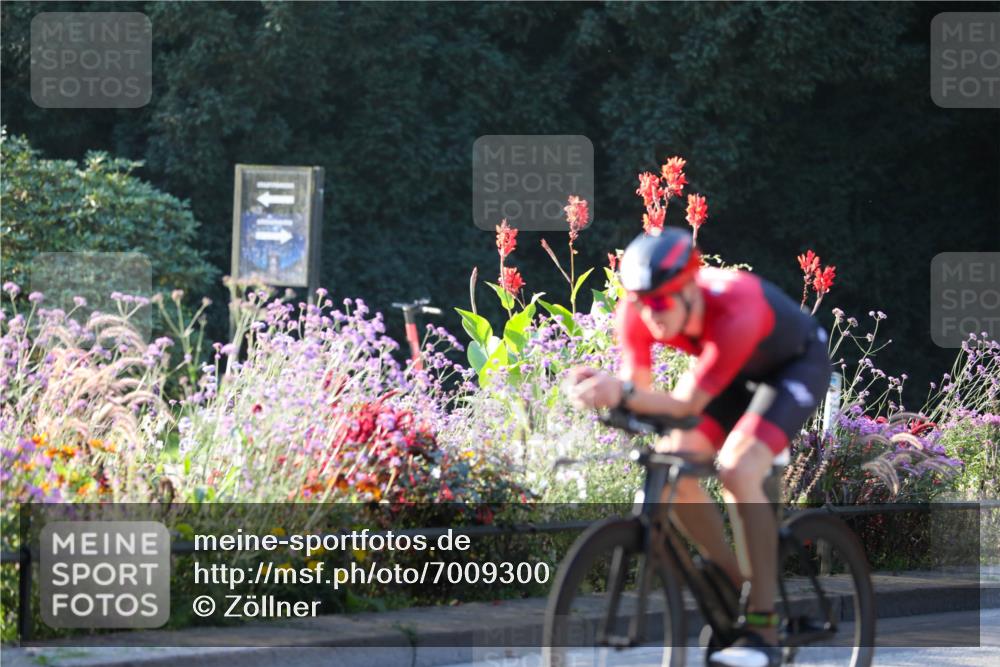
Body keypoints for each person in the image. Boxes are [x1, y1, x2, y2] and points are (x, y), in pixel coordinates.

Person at [566, 227, 831, 667]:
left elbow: (687, 402)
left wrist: (622, 394)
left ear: (690, 288)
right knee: (674, 463)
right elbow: (641, 391)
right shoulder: (635, 311)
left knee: (738, 467)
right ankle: (737, 583)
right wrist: (605, 391)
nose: (649, 314)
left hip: (792, 368)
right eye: (640, 302)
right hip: (731, 373)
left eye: (660, 302)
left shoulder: (735, 305)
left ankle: (762, 628)